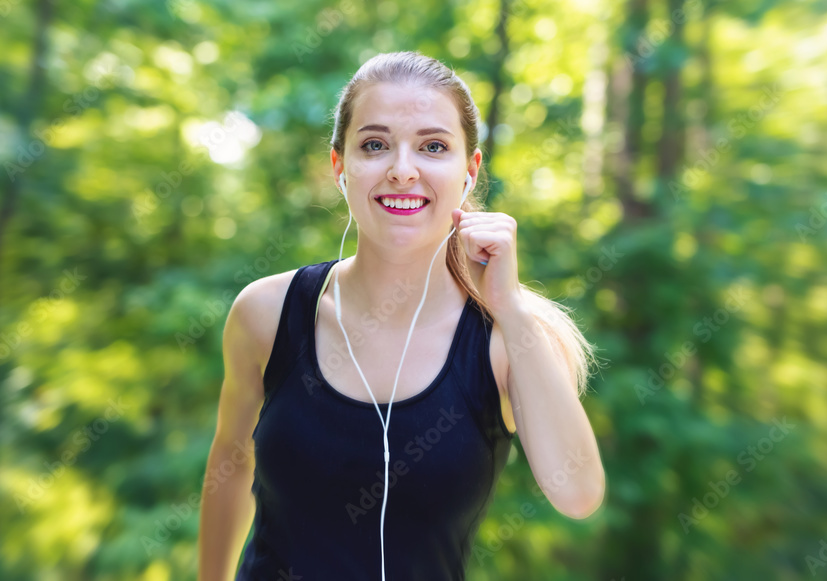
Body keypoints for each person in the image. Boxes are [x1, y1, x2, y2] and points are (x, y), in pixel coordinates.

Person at [198, 51, 605, 581]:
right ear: (339, 166)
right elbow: (229, 462)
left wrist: (511, 310)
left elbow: (577, 496)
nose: (402, 170)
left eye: (433, 146)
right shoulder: (267, 313)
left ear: (469, 170)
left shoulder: (506, 340)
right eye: (374, 145)